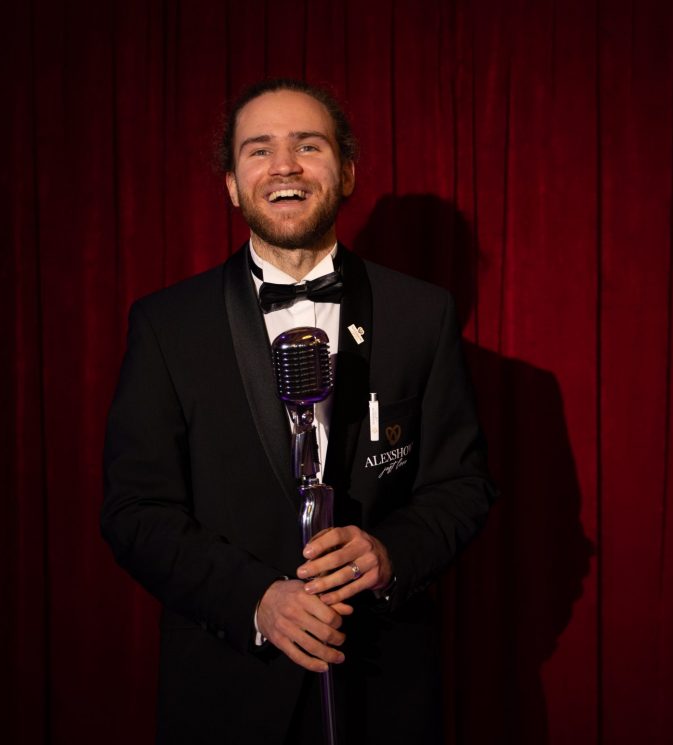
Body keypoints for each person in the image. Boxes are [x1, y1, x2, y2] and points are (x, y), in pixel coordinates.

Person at [101, 78, 496, 745]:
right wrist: (257, 598)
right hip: (227, 692)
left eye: (307, 145)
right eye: (259, 150)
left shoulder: (421, 314)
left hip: (383, 686)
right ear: (231, 182)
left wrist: (390, 552)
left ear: (345, 172)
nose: (284, 164)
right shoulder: (167, 325)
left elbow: (461, 485)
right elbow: (135, 510)